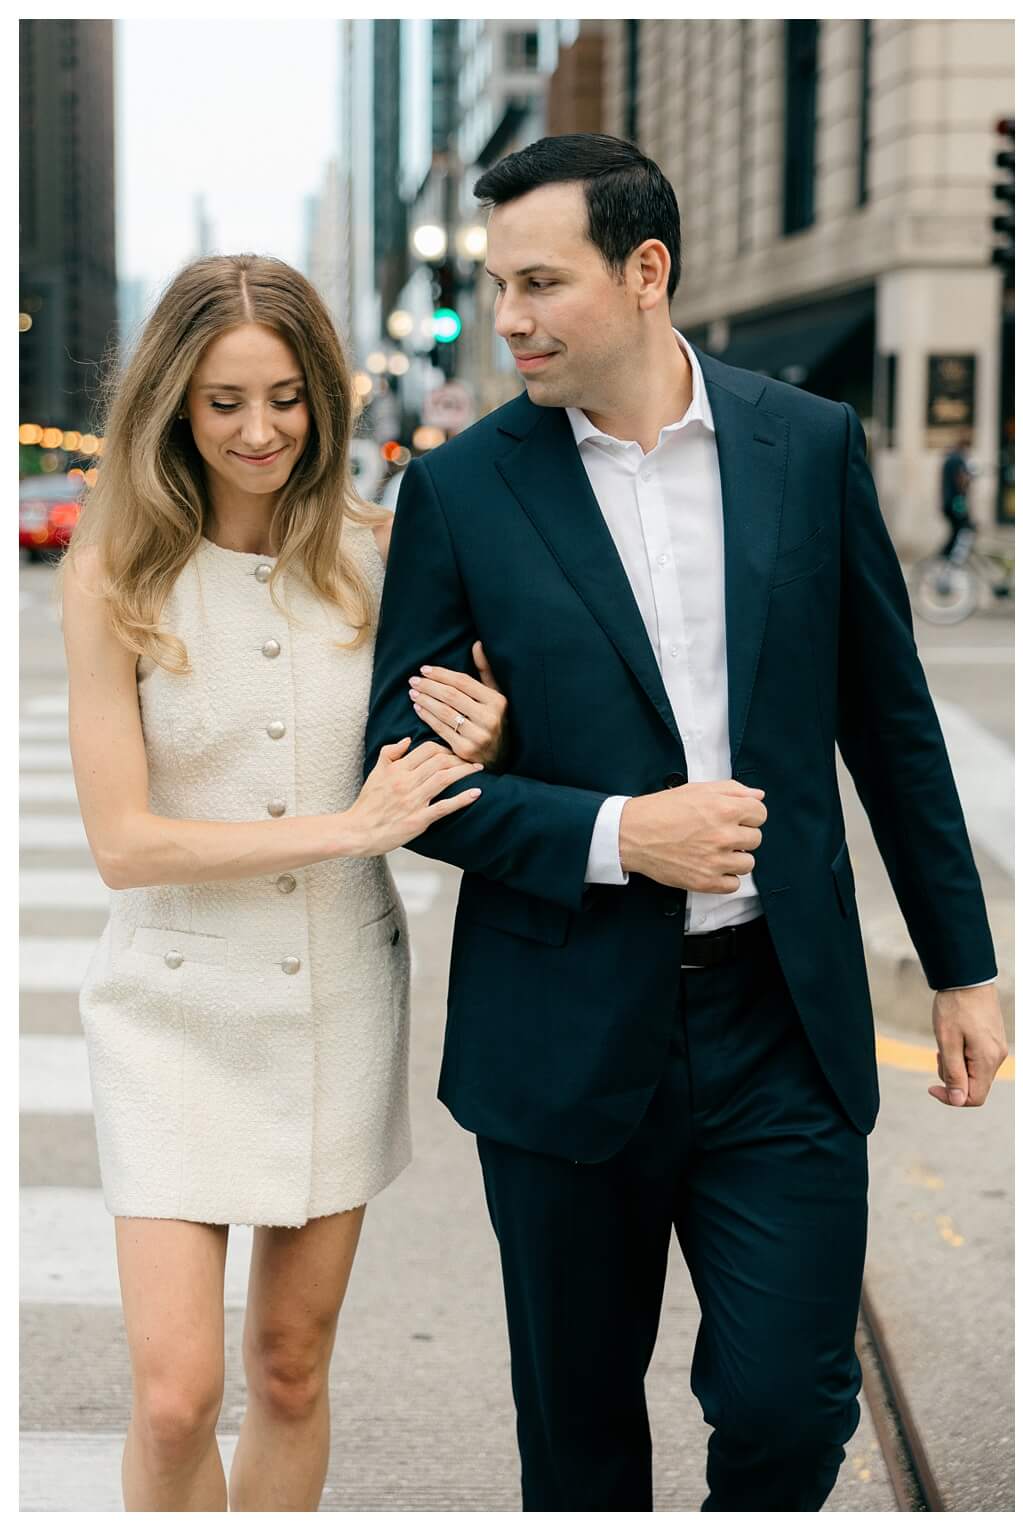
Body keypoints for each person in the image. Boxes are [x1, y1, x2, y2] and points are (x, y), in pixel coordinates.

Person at [363, 132, 1009, 1512]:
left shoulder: (808, 445)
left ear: (646, 270)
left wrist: (964, 963)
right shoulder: (464, 490)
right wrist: (617, 833)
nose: (512, 317)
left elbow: (892, 723)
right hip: (561, 1032)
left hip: (780, 1014)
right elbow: (401, 769)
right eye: (500, 284)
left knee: (791, 1406)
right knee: (581, 1442)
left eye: (543, 281)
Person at [62, 253, 515, 1511]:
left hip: (334, 1000)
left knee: (292, 1366)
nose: (258, 431)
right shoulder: (111, 574)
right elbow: (124, 843)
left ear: (324, 399)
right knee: (173, 1396)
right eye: (222, 402)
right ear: (173, 405)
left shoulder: (384, 555)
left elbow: (440, 758)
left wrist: (480, 739)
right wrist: (341, 830)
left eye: (285, 398)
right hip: (168, 1007)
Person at [938, 436, 975, 562]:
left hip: (948, 502)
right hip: (956, 502)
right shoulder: (958, 459)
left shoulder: (949, 458)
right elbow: (961, 479)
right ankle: (951, 557)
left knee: (957, 529)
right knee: (963, 527)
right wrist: (969, 480)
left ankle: (948, 556)